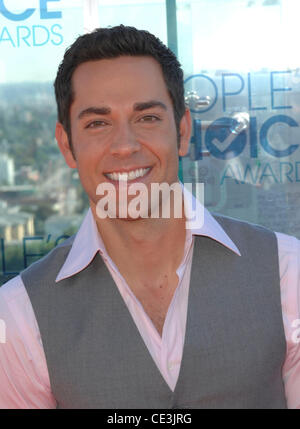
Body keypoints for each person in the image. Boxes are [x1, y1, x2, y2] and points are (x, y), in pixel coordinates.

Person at [0, 25, 299, 409]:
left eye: (147, 118)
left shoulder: (287, 273)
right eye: (98, 123)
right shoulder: (20, 314)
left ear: (183, 130)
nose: (125, 146)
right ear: (66, 145)